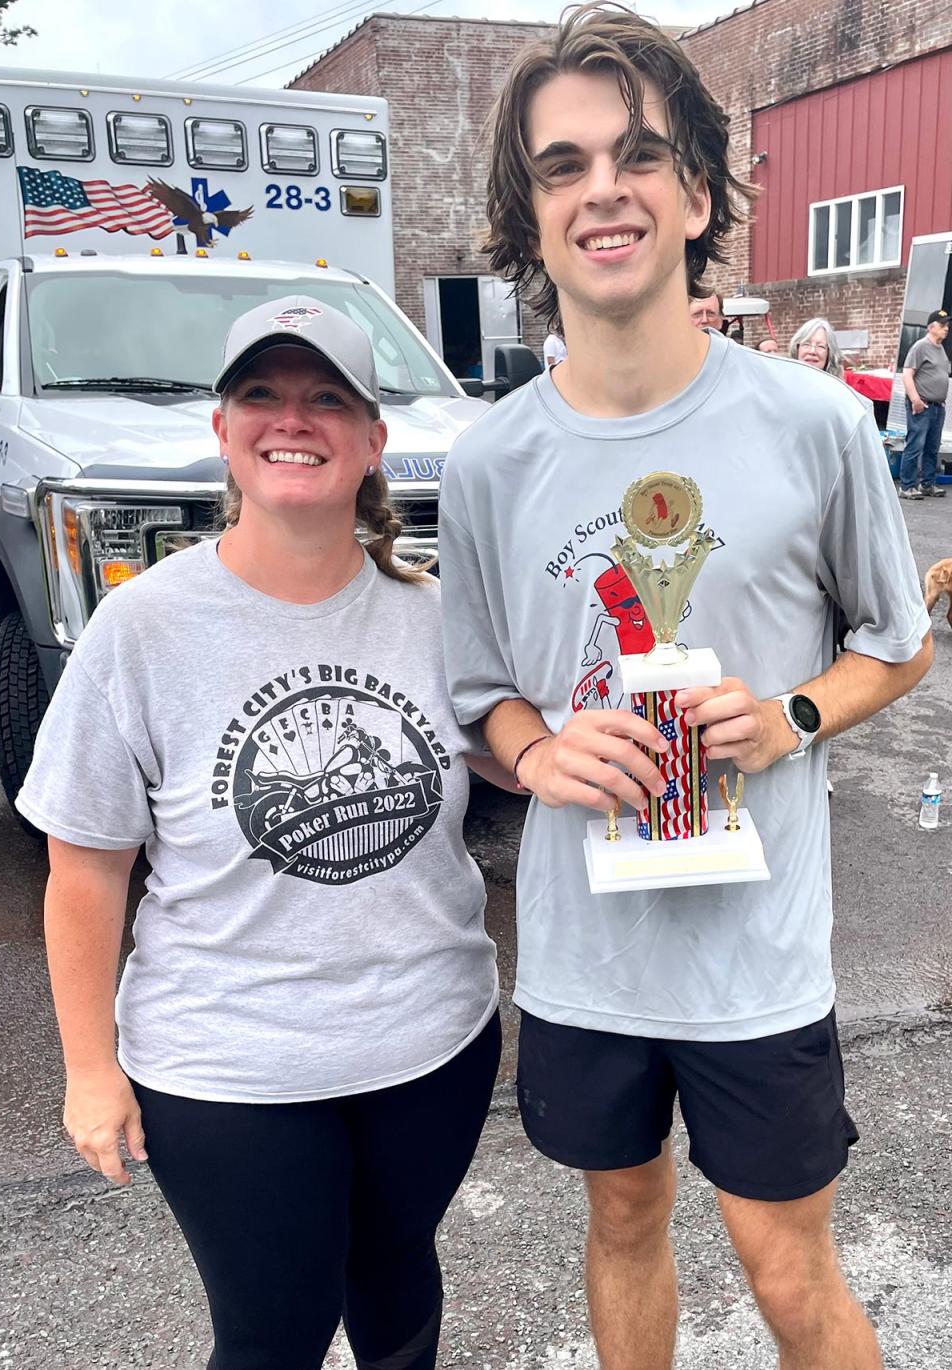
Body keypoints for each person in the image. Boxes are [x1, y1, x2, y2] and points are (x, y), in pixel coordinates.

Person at [438, 7, 932, 1369]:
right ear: (529, 214)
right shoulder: (490, 464)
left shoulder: (815, 424)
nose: (603, 188)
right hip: (587, 961)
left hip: (755, 960)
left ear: (697, 192)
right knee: (623, 1217)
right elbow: (480, 692)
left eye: (640, 155)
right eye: (562, 165)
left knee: (787, 1269)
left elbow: (900, 641)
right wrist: (535, 753)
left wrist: (793, 716)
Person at [17, 296, 504, 1370]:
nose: (296, 418)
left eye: (329, 396)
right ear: (224, 430)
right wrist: (89, 1067)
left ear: (374, 440)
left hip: (433, 1043)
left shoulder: (436, 615)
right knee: (274, 1331)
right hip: (226, 1070)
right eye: (264, 395)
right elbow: (85, 868)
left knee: (396, 1283)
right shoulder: (141, 627)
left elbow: (519, 751)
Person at [898, 307, 951, 500]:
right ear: (931, 327)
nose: (947, 328)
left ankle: (927, 484)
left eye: (947, 325)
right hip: (922, 406)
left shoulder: (940, 349)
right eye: (942, 325)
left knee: (932, 447)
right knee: (915, 445)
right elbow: (907, 374)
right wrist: (915, 400)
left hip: (937, 407)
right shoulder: (920, 347)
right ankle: (907, 486)